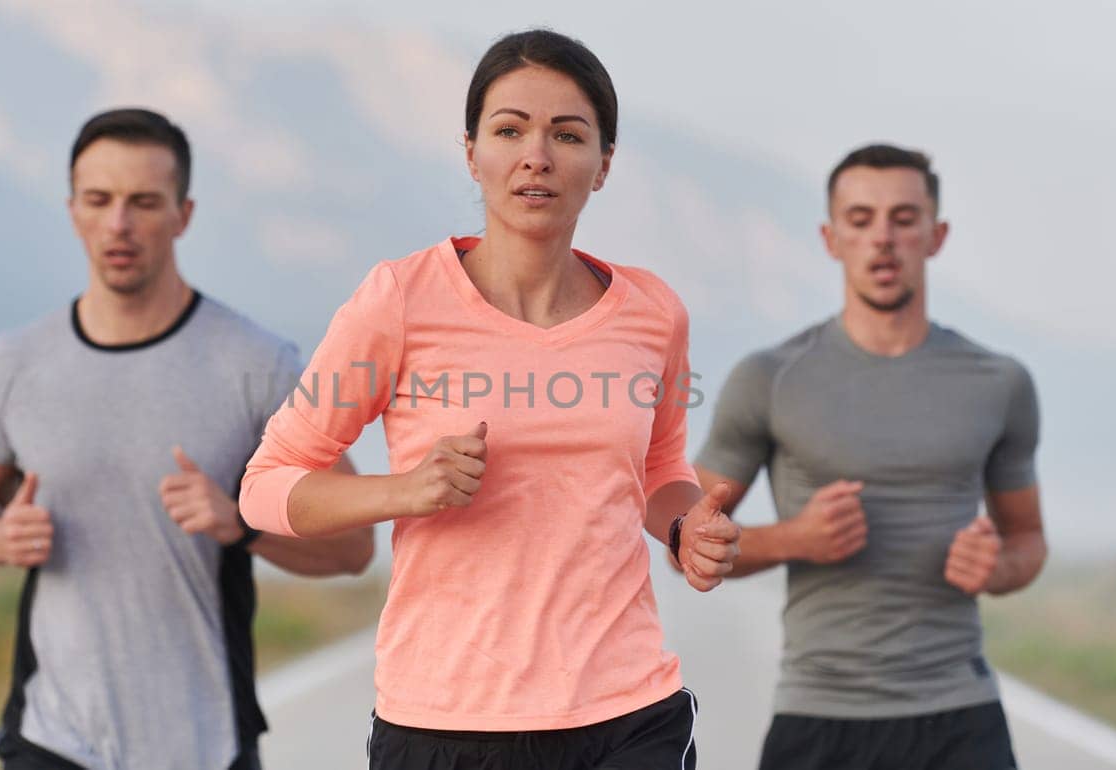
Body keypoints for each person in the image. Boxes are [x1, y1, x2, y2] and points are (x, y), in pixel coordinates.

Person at [237, 29, 741, 770]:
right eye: (510, 130)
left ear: (603, 165)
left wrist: (682, 529)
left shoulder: (653, 311)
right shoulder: (398, 301)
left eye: (568, 135)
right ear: (472, 152)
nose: (537, 155)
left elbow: (659, 469)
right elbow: (264, 486)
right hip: (443, 721)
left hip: (627, 710)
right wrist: (403, 491)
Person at [0, 108, 374, 770]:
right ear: (72, 210)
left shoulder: (256, 364)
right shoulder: (14, 363)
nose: (119, 224)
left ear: (184, 214)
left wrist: (241, 524)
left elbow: (352, 544)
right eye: (99, 200)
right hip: (51, 735)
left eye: (144, 202)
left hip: (205, 741)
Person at [694, 144, 1046, 770]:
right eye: (860, 220)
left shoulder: (999, 381)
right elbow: (690, 542)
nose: (882, 239)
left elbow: (1028, 542)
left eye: (904, 219)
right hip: (819, 716)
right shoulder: (770, 377)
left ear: (936, 236)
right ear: (831, 239)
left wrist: (996, 568)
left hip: (960, 714)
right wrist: (793, 539)